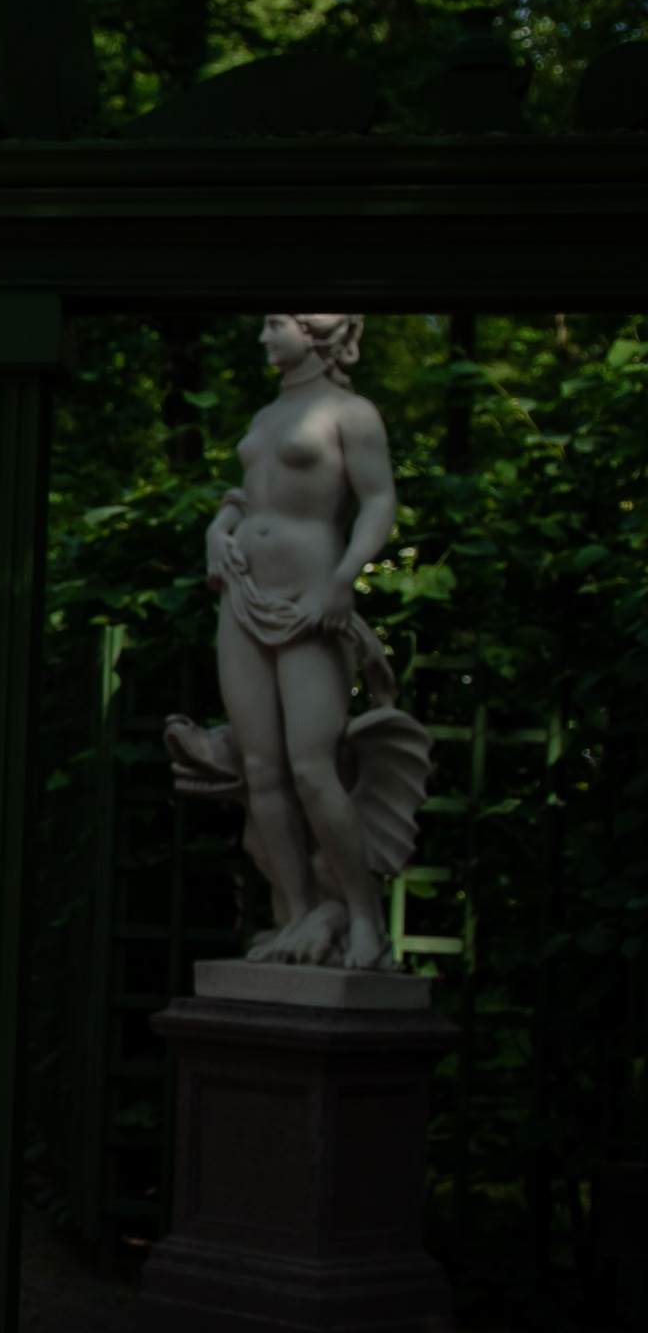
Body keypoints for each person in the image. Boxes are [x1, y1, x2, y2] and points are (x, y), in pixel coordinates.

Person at [197, 310, 401, 971]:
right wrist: (217, 531)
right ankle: (296, 911)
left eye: (274, 323)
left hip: (310, 600)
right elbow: (244, 496)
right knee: (261, 771)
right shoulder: (264, 418)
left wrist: (343, 581)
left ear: (316, 331)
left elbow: (378, 502)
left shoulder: (352, 412)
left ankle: (364, 921)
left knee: (314, 767)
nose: (262, 336)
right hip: (243, 598)